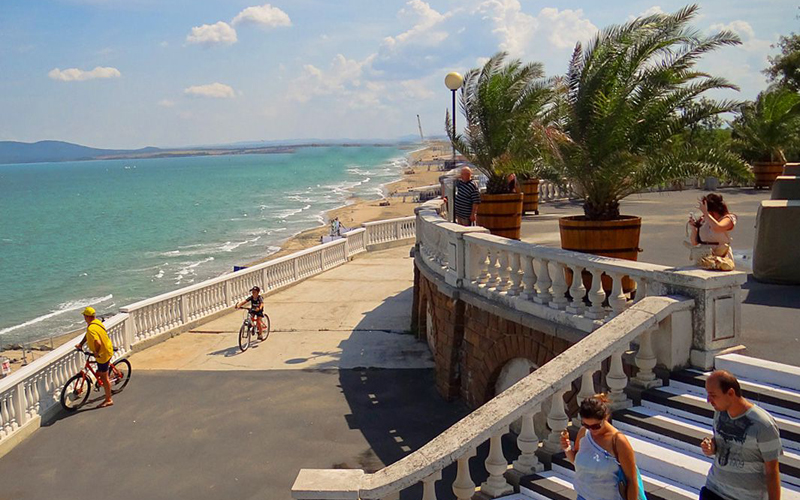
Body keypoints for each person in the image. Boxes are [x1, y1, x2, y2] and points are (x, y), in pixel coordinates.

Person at [700, 370, 782, 500]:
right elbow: (721, 441)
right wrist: (711, 445)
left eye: (713, 395)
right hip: (713, 490)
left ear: (731, 393)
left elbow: (772, 471)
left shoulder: (763, 424)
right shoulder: (720, 412)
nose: (708, 400)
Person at [561, 395, 644, 500]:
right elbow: (579, 463)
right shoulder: (583, 432)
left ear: (606, 417)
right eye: (586, 425)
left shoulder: (618, 441)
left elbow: (631, 480)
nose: (591, 430)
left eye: (596, 426)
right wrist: (567, 448)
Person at [74, 306, 114, 408]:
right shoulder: (96, 323)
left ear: (87, 316)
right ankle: (107, 377)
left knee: (104, 377)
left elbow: (98, 342)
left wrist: (96, 352)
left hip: (102, 354)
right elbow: (88, 336)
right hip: (108, 349)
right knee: (101, 372)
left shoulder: (91, 328)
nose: (84, 318)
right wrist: (81, 344)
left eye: (84, 316)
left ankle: (108, 399)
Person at [687, 193, 737, 271]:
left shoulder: (729, 218)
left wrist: (706, 214)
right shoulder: (704, 219)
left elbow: (717, 228)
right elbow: (694, 242)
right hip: (704, 256)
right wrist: (694, 227)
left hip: (721, 258)